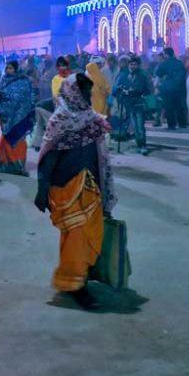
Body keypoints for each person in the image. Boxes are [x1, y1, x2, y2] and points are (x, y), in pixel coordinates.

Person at [34, 73, 115, 311]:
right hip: (67, 185)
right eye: (85, 94)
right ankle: (76, 285)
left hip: (90, 184)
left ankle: (74, 277)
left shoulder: (90, 118)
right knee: (77, 236)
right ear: (73, 93)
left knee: (85, 235)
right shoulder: (60, 119)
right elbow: (47, 158)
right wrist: (41, 190)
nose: (89, 98)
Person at [0, 61, 35, 176]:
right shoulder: (3, 81)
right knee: (8, 140)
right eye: (7, 68)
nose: (8, 71)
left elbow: (28, 97)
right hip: (7, 117)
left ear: (16, 69)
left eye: (10, 68)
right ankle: (8, 165)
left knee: (19, 141)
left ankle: (19, 166)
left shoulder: (24, 81)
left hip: (21, 116)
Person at [114, 54, 151, 155]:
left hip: (139, 104)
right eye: (131, 64)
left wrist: (133, 91)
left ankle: (142, 145)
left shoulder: (142, 75)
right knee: (135, 126)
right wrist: (120, 90)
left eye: (135, 64)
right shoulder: (123, 75)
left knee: (140, 126)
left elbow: (147, 89)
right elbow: (116, 89)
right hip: (128, 104)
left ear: (138, 65)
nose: (132, 66)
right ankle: (139, 144)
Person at [155, 47, 188, 130]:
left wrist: (157, 86)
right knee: (179, 106)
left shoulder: (164, 63)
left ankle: (171, 125)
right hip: (179, 88)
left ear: (166, 54)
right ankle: (182, 123)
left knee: (169, 107)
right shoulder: (179, 63)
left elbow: (158, 75)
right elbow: (184, 74)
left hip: (168, 88)